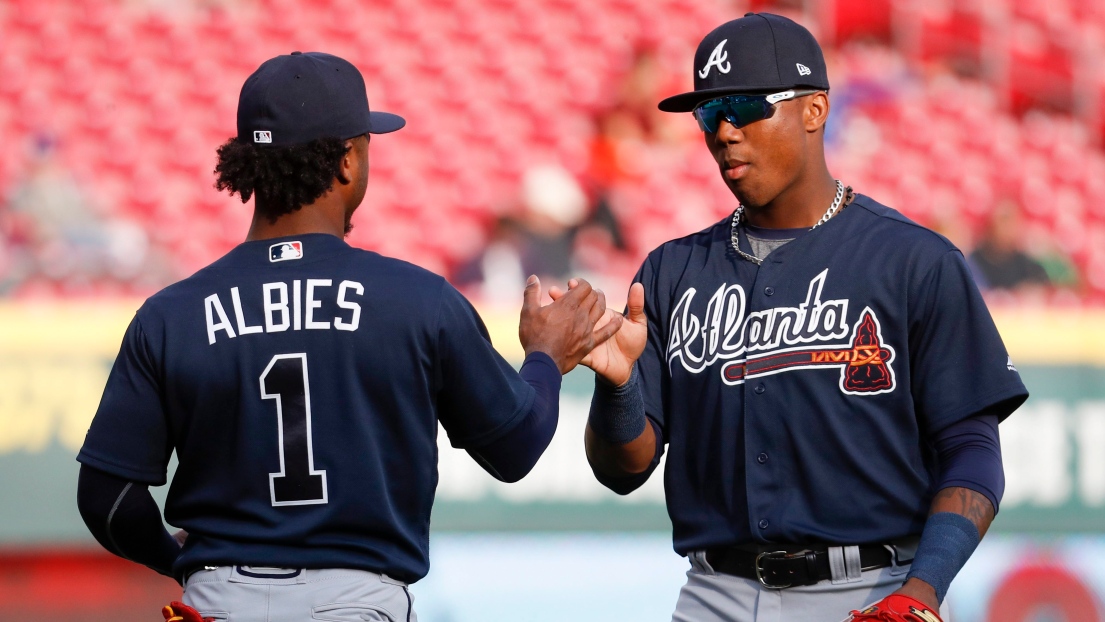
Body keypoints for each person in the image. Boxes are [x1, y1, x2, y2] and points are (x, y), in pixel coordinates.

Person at [75, 51, 619, 622]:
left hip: (219, 601)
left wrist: (178, 560)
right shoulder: (418, 301)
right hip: (356, 603)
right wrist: (544, 356)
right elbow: (515, 449)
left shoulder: (172, 313)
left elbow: (107, 498)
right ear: (345, 161)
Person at [570, 14, 1028, 622]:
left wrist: (924, 588)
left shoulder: (914, 260)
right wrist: (618, 386)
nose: (724, 132)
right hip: (714, 593)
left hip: (870, 587)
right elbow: (623, 469)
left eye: (745, 106)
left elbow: (972, 449)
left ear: (815, 110)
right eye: (709, 113)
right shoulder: (670, 270)